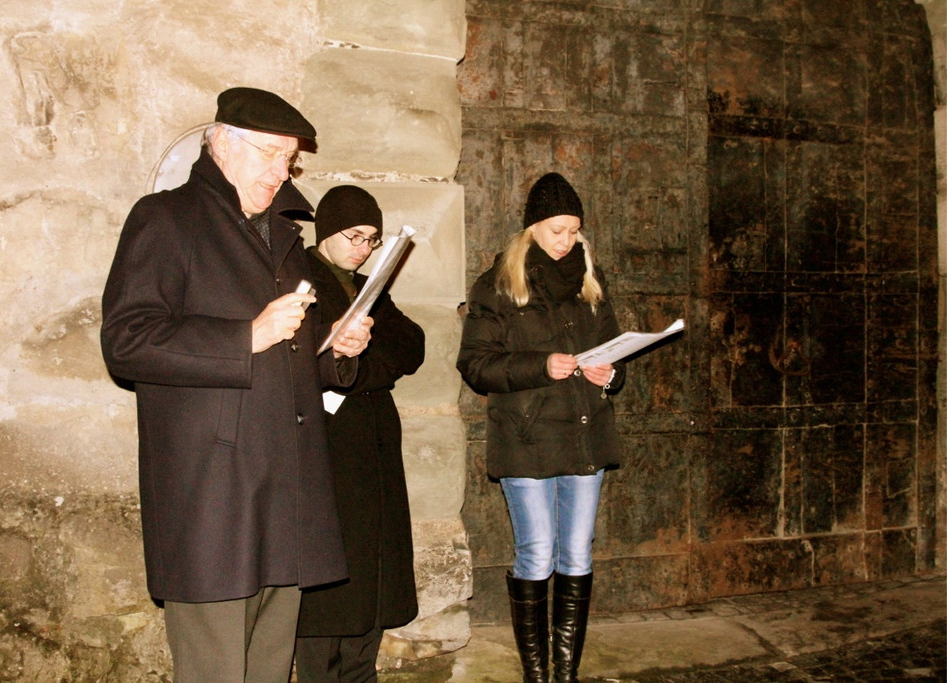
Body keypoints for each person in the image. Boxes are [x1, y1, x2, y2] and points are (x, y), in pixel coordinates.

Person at [100, 87, 373, 683]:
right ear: (221, 144)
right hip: (214, 494)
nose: (282, 172)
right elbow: (126, 340)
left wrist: (335, 351)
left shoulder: (284, 237)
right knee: (216, 669)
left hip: (285, 486)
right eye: (270, 153)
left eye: (289, 160)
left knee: (269, 668)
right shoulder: (165, 218)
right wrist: (244, 336)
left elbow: (292, 352)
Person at [456, 172, 626, 683]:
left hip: (583, 435)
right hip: (527, 439)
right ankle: (537, 675)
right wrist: (539, 365)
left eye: (574, 230)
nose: (566, 240)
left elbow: (617, 352)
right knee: (536, 554)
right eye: (557, 230)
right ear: (531, 228)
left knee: (576, 553)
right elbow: (475, 365)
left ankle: (564, 673)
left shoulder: (590, 282)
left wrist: (610, 374)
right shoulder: (499, 285)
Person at [294, 185, 425, 682]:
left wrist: (357, 370)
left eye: (372, 239)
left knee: (371, 576)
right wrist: (346, 365)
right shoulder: (300, 279)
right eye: (354, 236)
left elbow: (411, 345)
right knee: (329, 584)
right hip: (327, 449)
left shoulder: (369, 288)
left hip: (372, 449)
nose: (363, 248)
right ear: (327, 230)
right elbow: (304, 358)